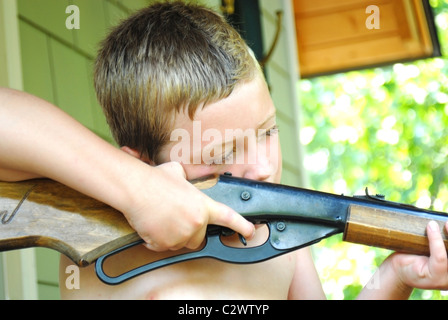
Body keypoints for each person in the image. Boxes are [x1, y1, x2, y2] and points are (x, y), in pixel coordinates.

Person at [0, 1, 447, 299]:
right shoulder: (102, 238)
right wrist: (135, 189)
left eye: (268, 131)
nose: (263, 166)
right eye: (221, 152)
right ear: (142, 164)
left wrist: (395, 278)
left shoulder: (280, 234)